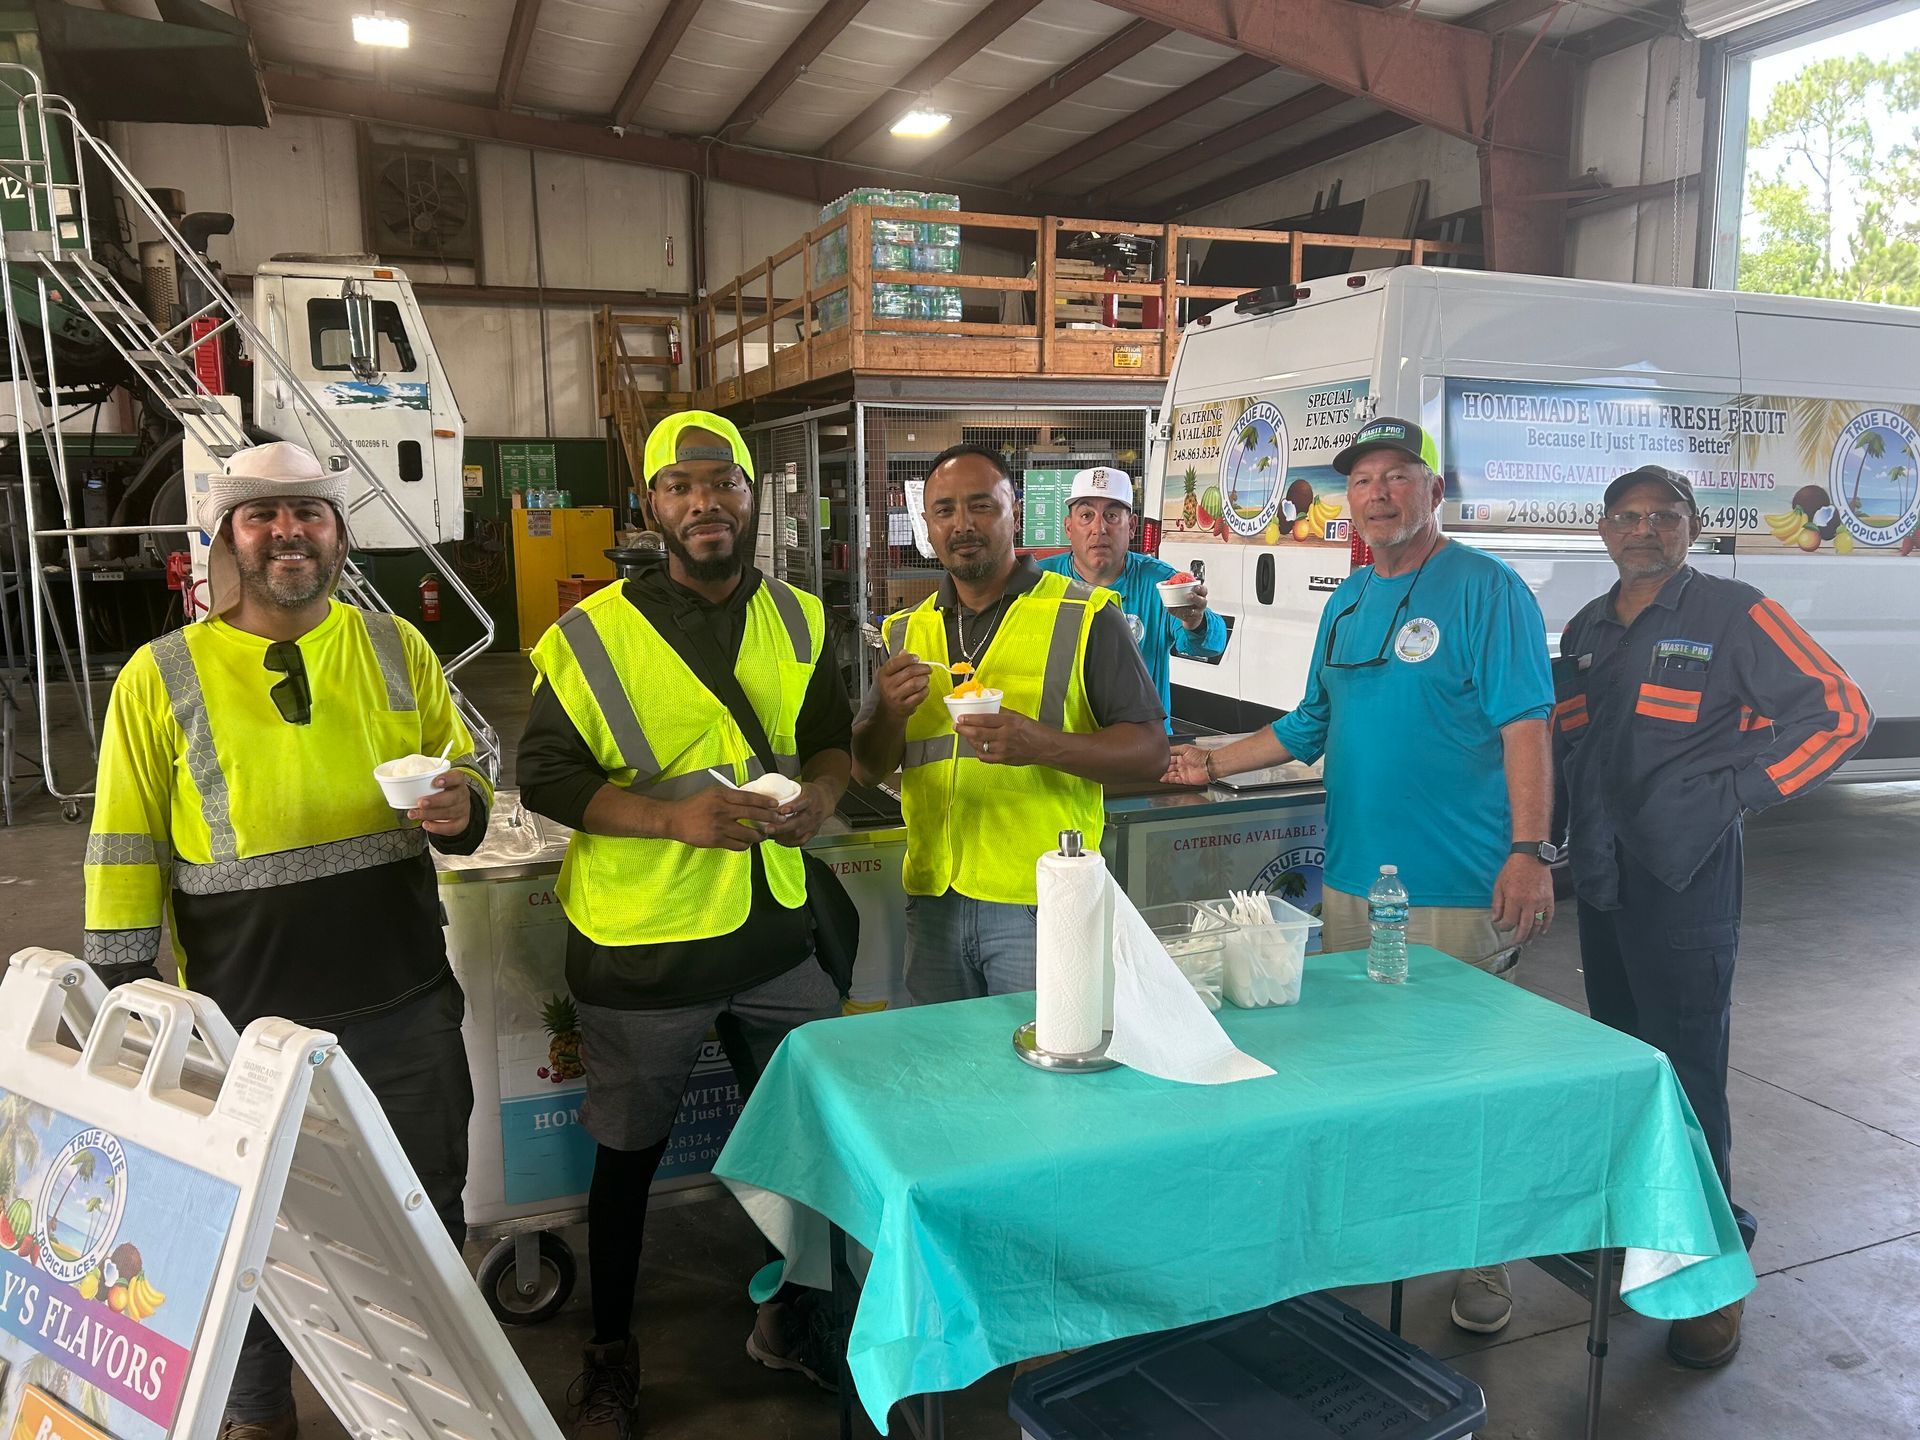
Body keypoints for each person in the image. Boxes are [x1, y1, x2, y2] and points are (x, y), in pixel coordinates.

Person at [83, 442, 490, 1440]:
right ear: (228, 538)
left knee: (424, 1208)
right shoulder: (160, 674)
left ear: (337, 533)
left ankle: (420, 1401)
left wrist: (462, 809)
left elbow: (470, 773)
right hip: (241, 1023)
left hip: (403, 1002)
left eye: (307, 512)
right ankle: (259, 1415)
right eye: (260, 516)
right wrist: (127, 1013)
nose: (286, 532)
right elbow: (124, 846)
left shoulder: (396, 647)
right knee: (246, 1231)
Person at [1164, 417, 1555, 1335]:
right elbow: (1307, 726)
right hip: (1351, 886)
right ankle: (1385, 1236)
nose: (1379, 492)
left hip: (1459, 884)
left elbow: (1527, 729)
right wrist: (1211, 763)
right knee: (1366, 1069)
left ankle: (1483, 1260)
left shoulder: (1487, 592)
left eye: (1398, 475)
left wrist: (1530, 853)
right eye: (1364, 480)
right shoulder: (1346, 603)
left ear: (1433, 491)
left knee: (1466, 1079)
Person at [518, 411, 852, 1439]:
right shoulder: (588, 634)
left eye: (725, 483)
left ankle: (795, 1320)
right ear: (652, 508)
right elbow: (543, 777)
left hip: (775, 931)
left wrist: (824, 797)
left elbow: (829, 741)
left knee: (806, 1149)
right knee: (629, 1159)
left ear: (755, 498)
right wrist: (672, 820)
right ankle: (611, 1356)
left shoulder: (800, 618)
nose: (706, 501)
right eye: (680, 486)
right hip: (643, 943)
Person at [1554, 464, 1871, 1370]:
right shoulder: (1584, 632)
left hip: (1687, 880)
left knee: (1690, 1073)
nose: (1645, 530)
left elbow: (1842, 714)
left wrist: (1734, 790)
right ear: (1603, 529)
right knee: (1627, 1065)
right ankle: (1641, 1230)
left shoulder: (1735, 613)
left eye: (1664, 516)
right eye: (1628, 516)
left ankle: (1710, 1280)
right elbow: (1572, 747)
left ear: (1692, 526)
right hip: (1608, 883)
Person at [852, 444, 1168, 1001]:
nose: (963, 524)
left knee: (1041, 1071)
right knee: (947, 1068)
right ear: (927, 524)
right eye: (945, 511)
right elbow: (869, 767)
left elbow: (1151, 753)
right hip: (933, 897)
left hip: (1039, 899)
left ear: (1014, 511)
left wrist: (1041, 743)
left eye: (981, 506)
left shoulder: (1084, 612)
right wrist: (885, 710)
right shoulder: (906, 630)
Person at [1035, 465, 1227, 731]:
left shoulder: (1156, 582)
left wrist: (1196, 621)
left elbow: (1210, 645)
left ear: (1133, 526)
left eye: (1112, 515)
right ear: (1069, 527)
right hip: (1063, 743)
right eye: (1086, 515)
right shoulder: (1040, 582)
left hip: (1143, 747)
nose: (1099, 528)